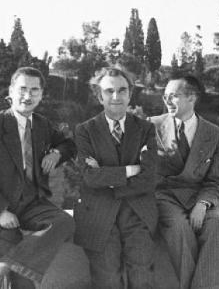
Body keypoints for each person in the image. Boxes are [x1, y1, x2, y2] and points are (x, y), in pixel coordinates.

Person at [0, 67, 76, 289]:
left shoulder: (42, 125)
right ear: (11, 91)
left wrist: (56, 153)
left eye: (34, 90)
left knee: (65, 222)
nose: (28, 96)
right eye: (23, 89)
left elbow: (69, 144)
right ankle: (1, 272)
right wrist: (0, 211)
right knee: (25, 281)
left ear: (41, 95)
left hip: (31, 204)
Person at [74, 67, 158, 289]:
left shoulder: (146, 129)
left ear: (130, 94)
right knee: (107, 279)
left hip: (137, 211)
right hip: (98, 212)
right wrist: (132, 170)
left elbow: (150, 177)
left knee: (141, 277)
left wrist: (108, 177)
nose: (116, 97)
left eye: (122, 90)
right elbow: (90, 177)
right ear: (99, 95)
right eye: (109, 91)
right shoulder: (85, 131)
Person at [149, 75, 219, 289]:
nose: (166, 101)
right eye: (165, 96)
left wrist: (203, 204)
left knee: (215, 224)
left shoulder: (216, 135)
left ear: (192, 97)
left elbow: (217, 180)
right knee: (178, 227)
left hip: (200, 195)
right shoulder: (152, 126)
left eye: (173, 96)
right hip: (164, 196)